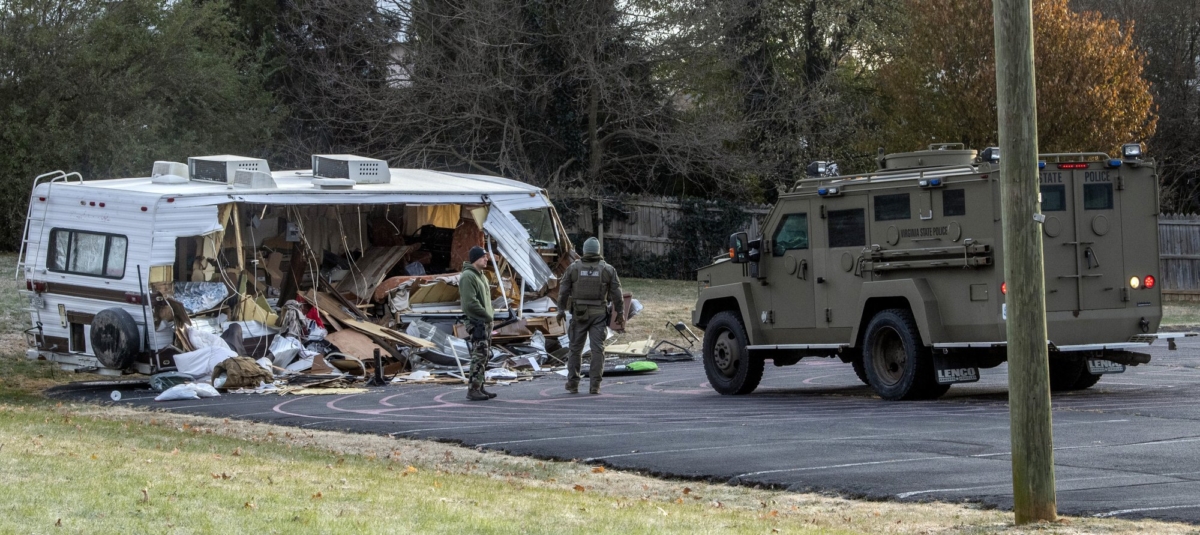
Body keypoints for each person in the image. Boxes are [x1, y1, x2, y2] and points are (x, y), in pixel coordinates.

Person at [557, 237, 624, 395]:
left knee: (575, 350)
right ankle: (595, 385)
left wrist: (560, 309)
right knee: (598, 350)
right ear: (598, 250)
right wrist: (620, 313)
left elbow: (563, 291)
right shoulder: (607, 269)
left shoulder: (574, 268)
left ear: (585, 250)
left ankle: (573, 383)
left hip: (579, 314)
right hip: (599, 314)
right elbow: (617, 294)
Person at [459, 245, 497, 401]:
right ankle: (473, 389)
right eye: (483, 256)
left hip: (485, 321)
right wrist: (487, 315)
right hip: (477, 321)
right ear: (475, 258)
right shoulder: (468, 276)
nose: (486, 259)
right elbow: (470, 303)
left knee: (484, 355)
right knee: (479, 355)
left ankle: (479, 386)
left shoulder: (481, 275)